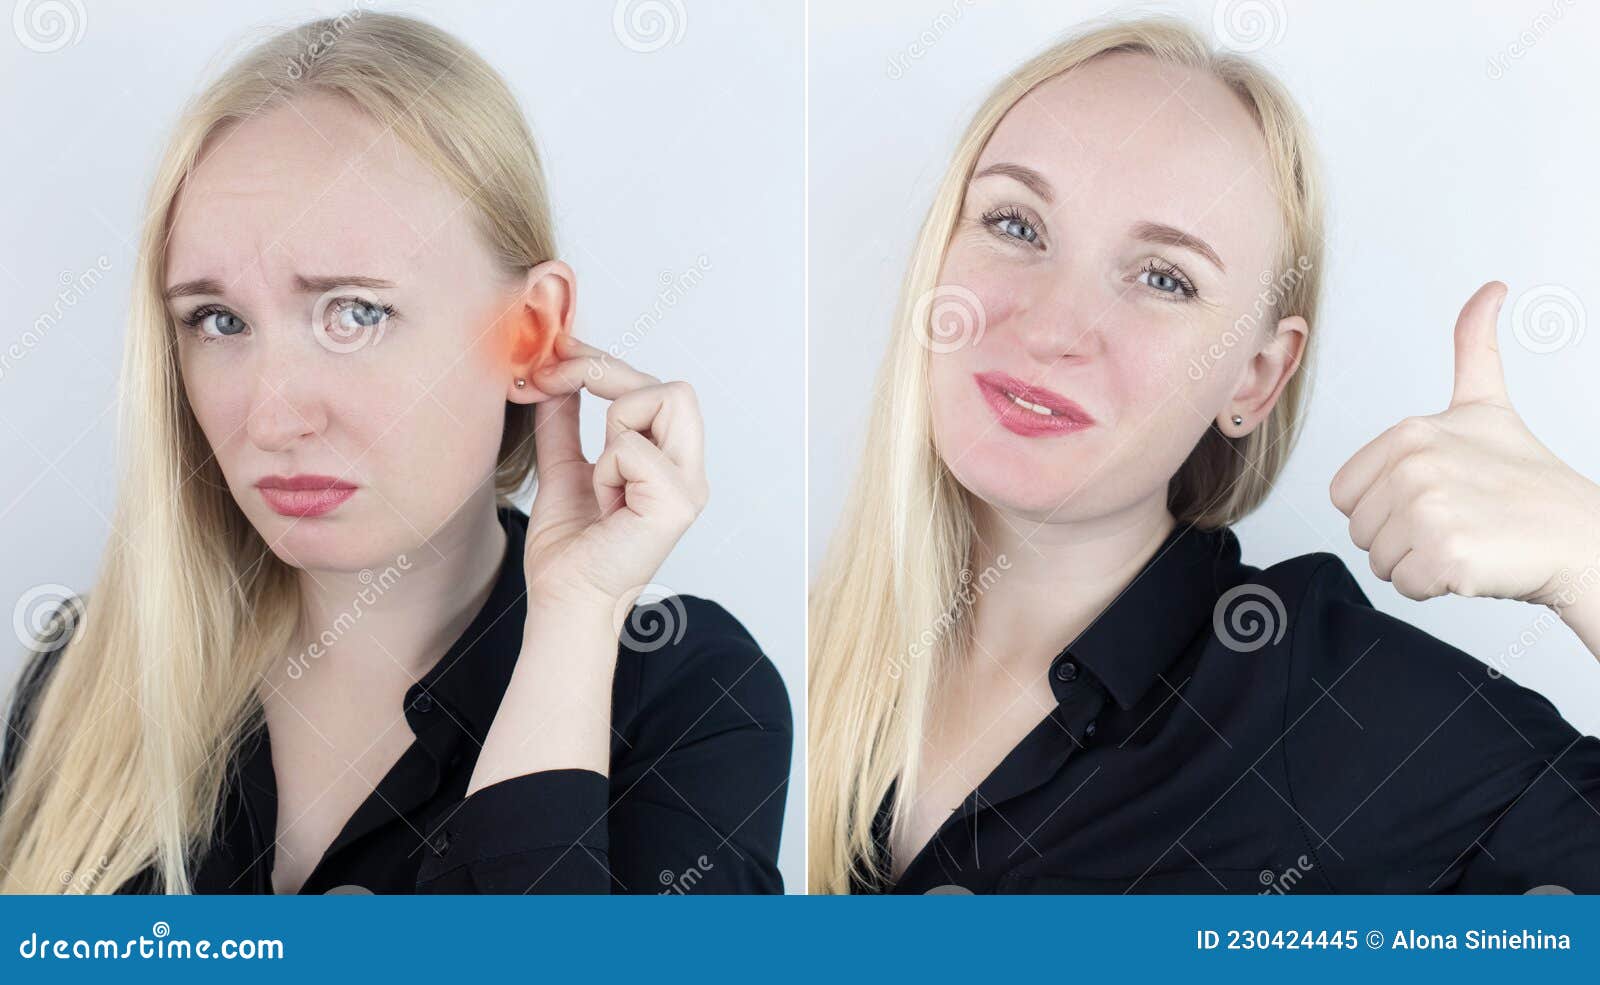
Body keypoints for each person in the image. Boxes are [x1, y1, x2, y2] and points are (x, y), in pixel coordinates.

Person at [0, 12, 790, 895]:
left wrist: (574, 624)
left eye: (354, 313)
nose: (272, 418)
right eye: (218, 320)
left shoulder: (690, 699)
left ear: (532, 332)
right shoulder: (84, 671)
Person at [807, 16, 1600, 894]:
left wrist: (1587, 555)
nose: (1051, 325)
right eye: (1016, 224)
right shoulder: (776, 662)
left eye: (1164, 277)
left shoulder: (1339, 711)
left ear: (1256, 380)